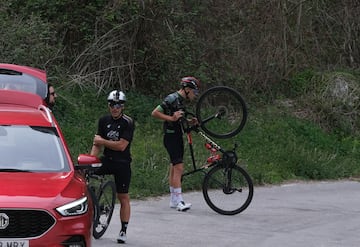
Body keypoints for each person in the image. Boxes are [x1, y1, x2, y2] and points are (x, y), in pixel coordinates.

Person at [90, 90, 135, 244]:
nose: (115, 108)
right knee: (84, 177)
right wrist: (90, 161)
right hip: (107, 160)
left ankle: (123, 230)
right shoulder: (103, 121)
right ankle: (93, 204)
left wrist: (102, 142)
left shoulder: (128, 122)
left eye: (118, 105)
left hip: (122, 163)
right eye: (112, 104)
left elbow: (121, 146)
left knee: (123, 197)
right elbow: (97, 144)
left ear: (123, 106)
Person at [151, 76, 200, 212]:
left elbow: (179, 119)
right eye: (194, 92)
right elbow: (155, 112)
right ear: (187, 89)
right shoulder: (172, 98)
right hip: (171, 136)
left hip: (177, 135)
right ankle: (179, 201)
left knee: (174, 166)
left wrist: (189, 122)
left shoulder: (181, 101)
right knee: (179, 167)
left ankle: (173, 199)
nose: (195, 96)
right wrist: (170, 118)